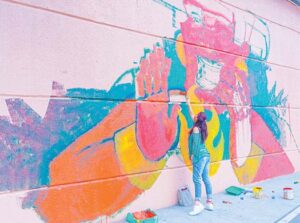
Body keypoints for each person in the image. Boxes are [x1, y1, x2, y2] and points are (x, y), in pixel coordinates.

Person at [188, 111, 213, 215]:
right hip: (206, 155)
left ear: (197, 119)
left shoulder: (195, 129)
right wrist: (188, 102)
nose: (194, 116)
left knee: (196, 179)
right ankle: (209, 202)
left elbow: (196, 145)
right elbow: (192, 114)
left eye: (196, 116)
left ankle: (197, 203)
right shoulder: (203, 126)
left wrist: (194, 157)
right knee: (206, 178)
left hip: (200, 156)